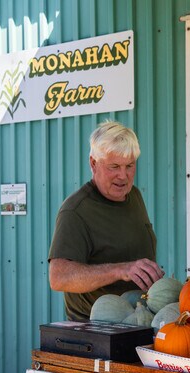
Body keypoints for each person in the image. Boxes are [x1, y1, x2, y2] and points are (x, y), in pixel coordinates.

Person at [48, 120, 165, 322]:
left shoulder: (134, 196)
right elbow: (59, 277)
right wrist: (120, 270)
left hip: (138, 319)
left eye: (129, 165)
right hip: (95, 328)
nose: (123, 175)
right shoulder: (76, 211)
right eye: (114, 166)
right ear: (93, 164)